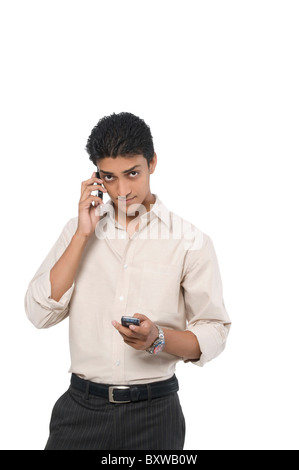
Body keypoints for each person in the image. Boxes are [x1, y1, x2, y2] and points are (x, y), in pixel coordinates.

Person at [25, 112, 231, 450]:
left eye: (132, 173)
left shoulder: (190, 241)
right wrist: (81, 235)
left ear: (152, 163)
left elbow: (214, 330)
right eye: (109, 177)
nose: (121, 190)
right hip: (80, 410)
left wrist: (158, 338)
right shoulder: (77, 232)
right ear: (96, 177)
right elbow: (39, 313)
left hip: (155, 416)